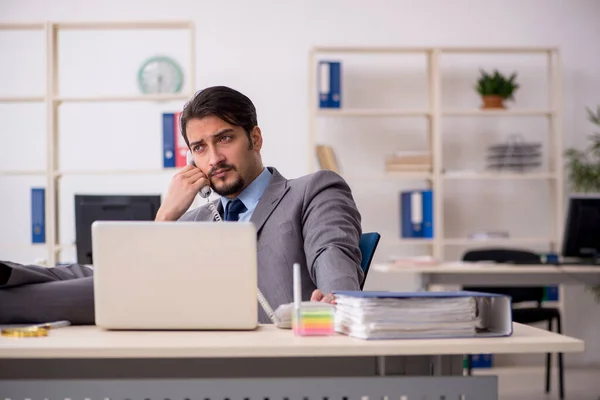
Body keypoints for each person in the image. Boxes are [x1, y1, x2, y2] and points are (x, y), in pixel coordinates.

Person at [0, 86, 364, 325]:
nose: (214, 158)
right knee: (94, 273)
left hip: (273, 343)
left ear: (254, 137)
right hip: (193, 336)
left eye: (224, 139)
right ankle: (8, 274)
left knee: (112, 281)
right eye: (200, 147)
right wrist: (164, 218)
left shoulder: (312, 190)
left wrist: (338, 300)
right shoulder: (196, 218)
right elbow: (135, 272)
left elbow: (332, 249)